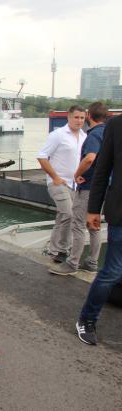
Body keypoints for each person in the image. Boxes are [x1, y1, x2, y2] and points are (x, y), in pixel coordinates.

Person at [75, 115, 122, 345]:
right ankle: (87, 319)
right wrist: (93, 209)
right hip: (120, 213)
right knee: (112, 271)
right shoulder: (116, 125)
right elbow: (102, 169)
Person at [49, 102, 107, 276]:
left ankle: (72, 263)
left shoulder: (93, 135)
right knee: (94, 225)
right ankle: (91, 263)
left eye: (83, 117)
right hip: (103, 187)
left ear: (89, 115)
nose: (81, 120)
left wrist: (77, 173)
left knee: (78, 225)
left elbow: (90, 158)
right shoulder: (109, 133)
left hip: (89, 187)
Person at [37, 106, 87, 264]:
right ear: (69, 117)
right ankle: (61, 250)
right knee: (68, 214)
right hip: (57, 182)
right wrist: (55, 176)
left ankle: (56, 250)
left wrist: (80, 175)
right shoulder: (58, 135)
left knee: (63, 217)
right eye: (76, 117)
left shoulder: (84, 136)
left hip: (74, 184)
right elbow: (42, 157)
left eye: (82, 118)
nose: (79, 121)